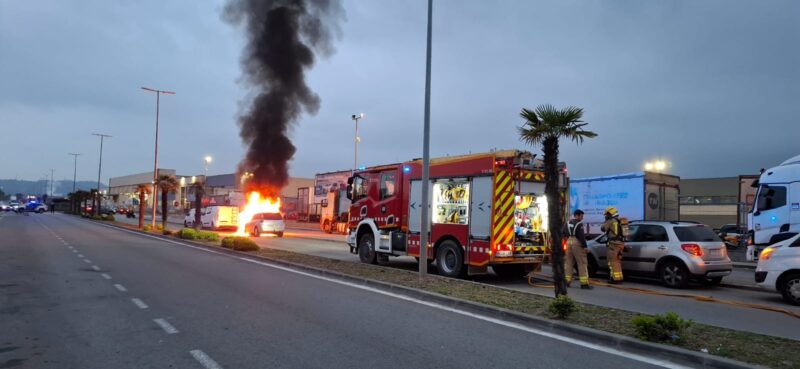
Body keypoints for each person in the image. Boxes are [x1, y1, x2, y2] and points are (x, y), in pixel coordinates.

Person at [564, 209, 593, 289]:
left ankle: (566, 282)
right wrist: (585, 247)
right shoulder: (579, 224)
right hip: (577, 243)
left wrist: (569, 239)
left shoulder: (567, 223)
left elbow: (563, 232)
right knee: (582, 263)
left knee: (568, 263)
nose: (582, 218)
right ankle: (584, 284)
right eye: (581, 216)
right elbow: (581, 237)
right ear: (577, 215)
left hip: (569, 242)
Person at [601, 206, 625, 284]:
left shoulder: (611, 221)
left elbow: (603, 229)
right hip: (621, 243)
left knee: (612, 262)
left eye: (607, 214)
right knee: (617, 261)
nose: (606, 216)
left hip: (613, 244)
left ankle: (615, 279)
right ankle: (619, 278)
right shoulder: (620, 221)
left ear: (611, 213)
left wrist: (605, 221)